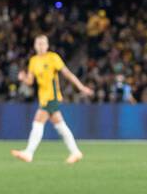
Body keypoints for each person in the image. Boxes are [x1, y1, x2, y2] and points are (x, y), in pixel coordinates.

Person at [11, 34, 93, 164]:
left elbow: (67, 74)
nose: (41, 46)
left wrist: (81, 87)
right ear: (35, 45)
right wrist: (23, 78)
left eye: (43, 43)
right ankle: (75, 152)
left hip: (52, 96)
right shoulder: (33, 61)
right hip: (43, 97)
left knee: (38, 121)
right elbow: (30, 81)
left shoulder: (53, 58)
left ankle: (29, 153)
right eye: (38, 43)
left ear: (47, 45)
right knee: (60, 126)